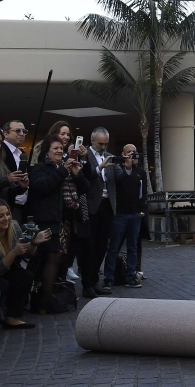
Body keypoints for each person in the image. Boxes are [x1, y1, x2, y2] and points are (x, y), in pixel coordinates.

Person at [27, 134, 88, 313]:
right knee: (52, 258)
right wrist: (63, 171)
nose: (60, 151)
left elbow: (85, 189)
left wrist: (77, 174)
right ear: (47, 151)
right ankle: (45, 300)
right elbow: (43, 187)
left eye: (62, 148)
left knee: (61, 260)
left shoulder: (68, 167)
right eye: (56, 148)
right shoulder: (40, 168)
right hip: (49, 221)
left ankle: (51, 294)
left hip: (67, 221)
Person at [0, 197, 48, 328]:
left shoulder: (14, 226)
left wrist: (34, 243)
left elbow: (26, 255)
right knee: (2, 283)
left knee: (25, 276)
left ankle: (12, 317)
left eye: (7, 214)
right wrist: (13, 252)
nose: (6, 218)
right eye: (0, 216)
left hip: (9, 269)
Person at [103, 145, 147, 291]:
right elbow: (120, 182)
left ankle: (130, 277)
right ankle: (108, 278)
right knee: (114, 247)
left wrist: (141, 212)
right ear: (123, 154)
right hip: (120, 214)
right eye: (129, 153)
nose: (132, 155)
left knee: (132, 247)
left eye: (134, 153)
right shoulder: (118, 168)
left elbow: (143, 193)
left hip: (135, 215)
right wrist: (127, 168)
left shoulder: (141, 173)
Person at [82, 127, 116, 298]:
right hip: (91, 205)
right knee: (90, 246)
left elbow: (114, 182)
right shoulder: (85, 155)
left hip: (106, 205)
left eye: (105, 144)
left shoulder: (109, 156)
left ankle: (94, 280)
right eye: (100, 143)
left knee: (102, 245)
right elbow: (82, 178)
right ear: (92, 140)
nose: (103, 147)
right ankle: (87, 283)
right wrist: (98, 168)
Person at [0, 120, 30, 219]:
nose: (22, 134)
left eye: (24, 131)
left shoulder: (21, 153)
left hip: (21, 206)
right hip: (4, 206)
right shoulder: (0, 150)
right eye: (17, 131)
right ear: (5, 134)